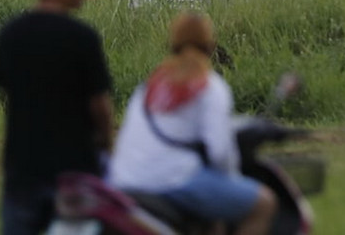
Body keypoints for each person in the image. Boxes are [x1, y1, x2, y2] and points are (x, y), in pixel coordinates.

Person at [108, 12, 276, 235]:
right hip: (172, 181)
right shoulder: (210, 87)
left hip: (124, 180)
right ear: (210, 46)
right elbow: (219, 153)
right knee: (264, 203)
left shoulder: (149, 86)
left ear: (172, 44)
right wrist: (231, 180)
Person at [0, 0, 115, 235]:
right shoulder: (82, 38)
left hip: (22, 169)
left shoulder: (11, 34)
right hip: (73, 174)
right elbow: (100, 105)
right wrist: (107, 144)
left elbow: (6, 89)